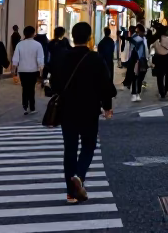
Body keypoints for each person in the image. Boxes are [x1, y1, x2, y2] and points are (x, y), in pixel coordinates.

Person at [57, 22, 116, 204]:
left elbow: (54, 85)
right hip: (89, 109)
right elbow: (106, 86)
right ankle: (79, 177)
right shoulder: (95, 58)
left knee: (70, 149)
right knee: (89, 145)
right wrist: (107, 106)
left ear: (73, 37)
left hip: (67, 109)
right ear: (90, 38)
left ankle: (70, 193)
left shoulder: (63, 57)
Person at [11, 25, 45, 114]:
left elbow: (16, 58)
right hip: (34, 70)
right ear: (33, 34)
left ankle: (25, 106)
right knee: (31, 89)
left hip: (22, 70)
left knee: (25, 88)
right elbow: (40, 59)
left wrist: (14, 70)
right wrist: (41, 71)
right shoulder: (37, 44)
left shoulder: (20, 44)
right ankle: (32, 107)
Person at [46, 26, 72, 93]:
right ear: (63, 33)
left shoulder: (51, 43)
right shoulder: (64, 41)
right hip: (63, 65)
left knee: (54, 81)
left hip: (53, 65)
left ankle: (55, 94)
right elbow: (70, 50)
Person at [153, 24, 168, 100]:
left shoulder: (156, 40)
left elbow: (152, 48)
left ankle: (161, 92)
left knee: (159, 77)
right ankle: (165, 90)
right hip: (167, 58)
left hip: (158, 59)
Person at [128, 25, 148, 102]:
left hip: (143, 60)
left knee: (140, 77)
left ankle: (138, 93)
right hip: (135, 60)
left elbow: (146, 50)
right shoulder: (134, 38)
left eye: (139, 31)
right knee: (134, 77)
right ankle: (134, 93)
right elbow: (131, 49)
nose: (138, 33)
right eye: (137, 31)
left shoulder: (144, 39)